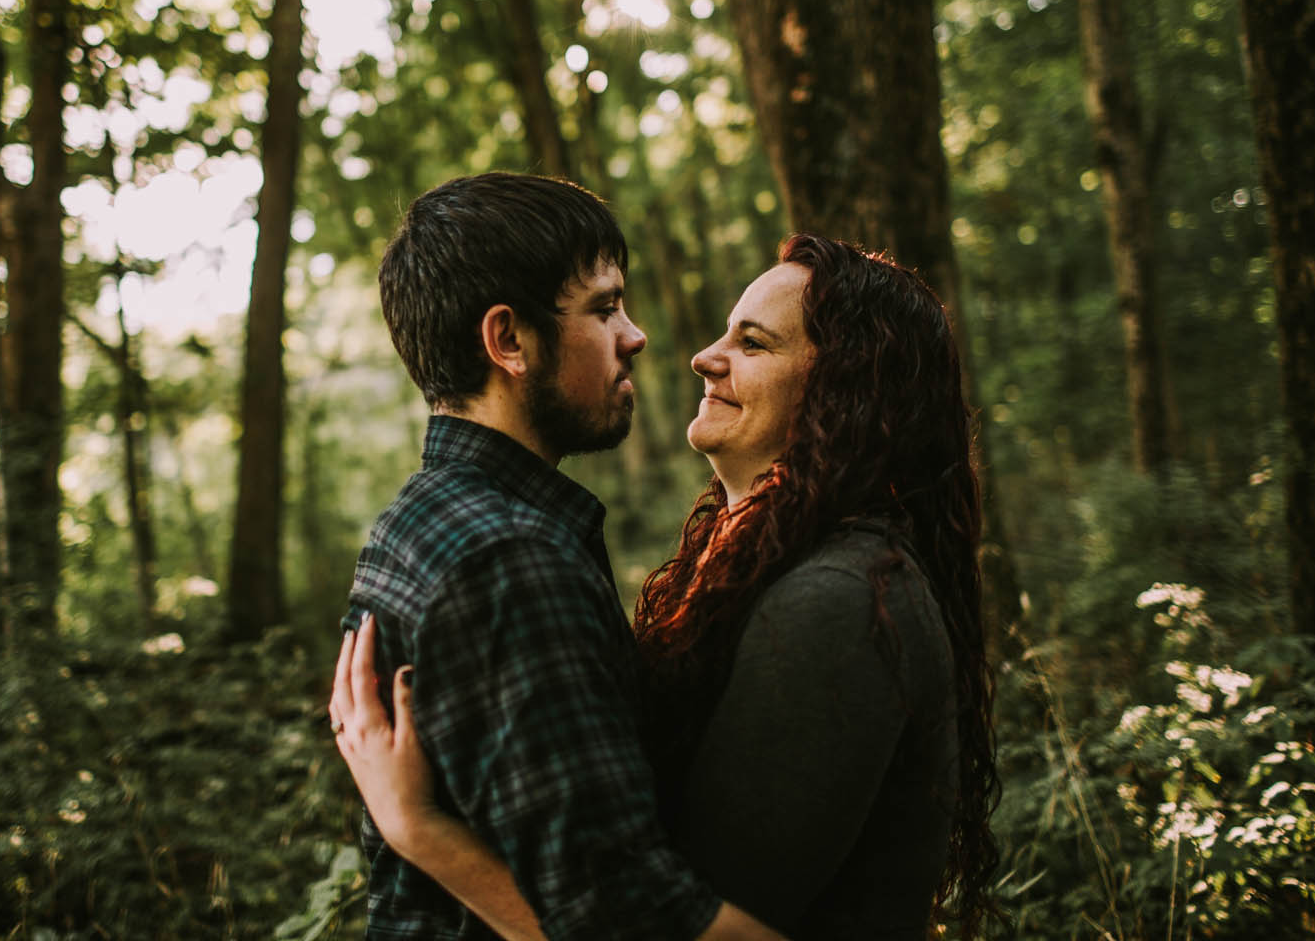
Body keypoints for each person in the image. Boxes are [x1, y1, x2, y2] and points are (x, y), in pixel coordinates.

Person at [331, 233, 1000, 940]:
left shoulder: (842, 600)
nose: (703, 356)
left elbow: (657, 924)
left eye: (752, 343)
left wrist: (422, 830)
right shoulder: (745, 565)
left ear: (848, 390)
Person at [334, 173, 788, 941]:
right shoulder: (510, 561)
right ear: (508, 341)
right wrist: (418, 831)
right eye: (604, 309)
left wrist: (418, 829)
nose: (635, 335)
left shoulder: (415, 522)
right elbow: (623, 918)